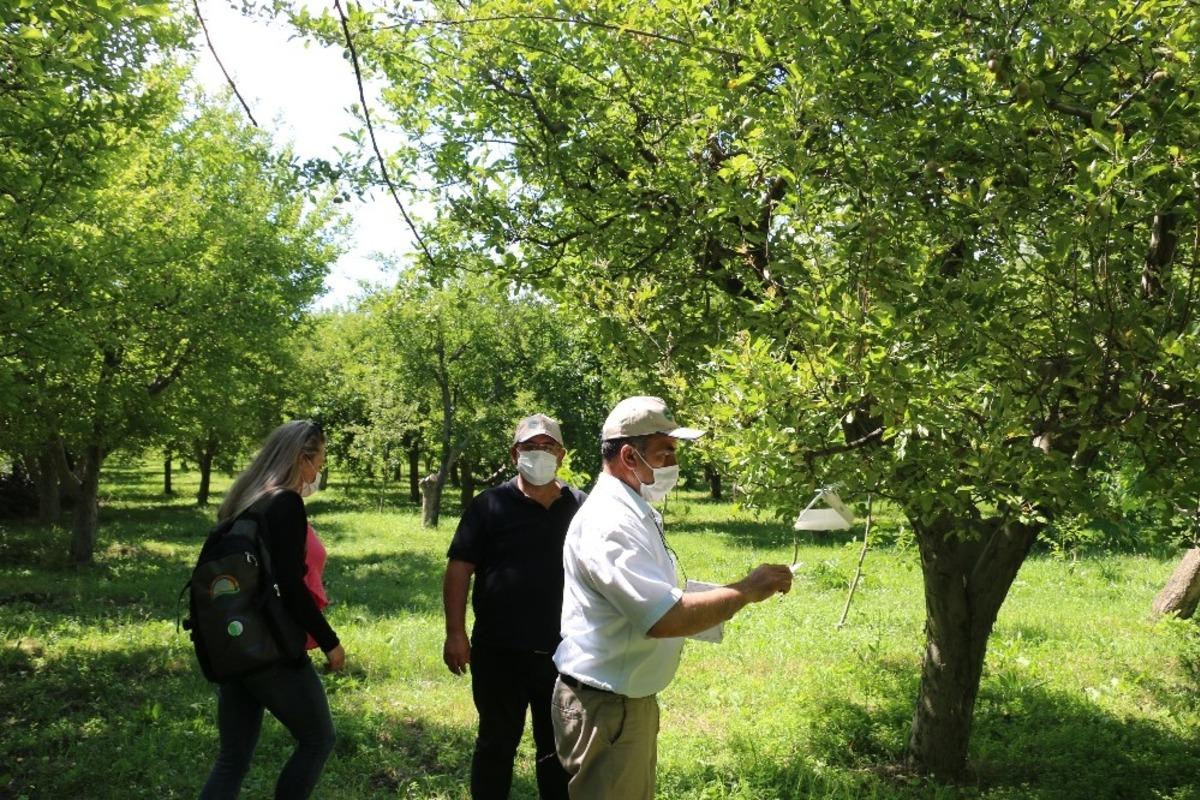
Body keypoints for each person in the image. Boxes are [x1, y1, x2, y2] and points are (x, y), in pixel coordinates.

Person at [551, 396, 793, 800]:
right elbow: (664, 617)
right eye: (666, 453)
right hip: (608, 708)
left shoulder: (630, 508)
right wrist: (747, 590)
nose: (674, 465)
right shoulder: (609, 523)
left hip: (622, 704)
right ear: (629, 455)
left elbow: (657, 602)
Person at [443, 414, 587, 800]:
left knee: (558, 751)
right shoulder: (488, 506)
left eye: (547, 447)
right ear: (514, 454)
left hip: (564, 654)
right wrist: (455, 633)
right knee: (495, 745)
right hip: (498, 653)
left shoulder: (580, 506)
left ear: (561, 454)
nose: (539, 454)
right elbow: (459, 569)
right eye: (530, 447)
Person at [200, 420, 346, 800]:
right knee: (318, 738)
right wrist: (330, 641)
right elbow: (291, 586)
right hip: (270, 645)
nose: (320, 470)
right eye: (321, 460)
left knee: (232, 758)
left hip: (235, 644)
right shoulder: (284, 502)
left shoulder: (245, 501)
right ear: (303, 458)